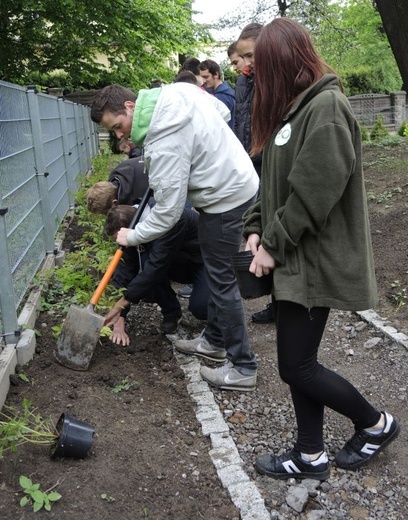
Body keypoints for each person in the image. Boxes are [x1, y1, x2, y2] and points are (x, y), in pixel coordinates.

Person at [243, 18, 400, 479]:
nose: (255, 75)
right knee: (300, 363)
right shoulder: (294, 112)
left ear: (287, 63)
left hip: (314, 261)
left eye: (262, 66)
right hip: (296, 261)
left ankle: (375, 423)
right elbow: (272, 186)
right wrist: (255, 226)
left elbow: (314, 192)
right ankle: (310, 455)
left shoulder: (327, 109)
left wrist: (272, 243)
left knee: (297, 366)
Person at [91, 82, 259, 391]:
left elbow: (167, 214)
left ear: (130, 108)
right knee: (217, 270)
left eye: (117, 127)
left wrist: (132, 236)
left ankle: (243, 366)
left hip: (226, 196)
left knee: (221, 281)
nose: (119, 135)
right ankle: (215, 341)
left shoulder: (163, 140)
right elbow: (220, 112)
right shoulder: (173, 92)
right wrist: (205, 154)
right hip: (227, 185)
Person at [104, 204, 210, 344]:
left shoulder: (168, 221)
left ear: (134, 230)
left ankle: (223, 303)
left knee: (201, 309)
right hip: (176, 261)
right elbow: (124, 271)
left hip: (204, 262)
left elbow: (156, 268)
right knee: (145, 265)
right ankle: (172, 313)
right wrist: (119, 319)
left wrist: (121, 304)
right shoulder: (132, 229)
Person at [235, 22, 274, 325]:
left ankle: (282, 301)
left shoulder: (273, 80)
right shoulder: (245, 81)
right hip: (251, 160)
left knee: (273, 224)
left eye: (250, 56)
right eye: (242, 58)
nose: (246, 64)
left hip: (268, 160)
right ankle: (275, 296)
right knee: (259, 223)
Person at [199, 59, 235, 130]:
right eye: (202, 77)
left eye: (206, 77)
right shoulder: (227, 91)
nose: (203, 81)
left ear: (216, 74)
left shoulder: (221, 97)